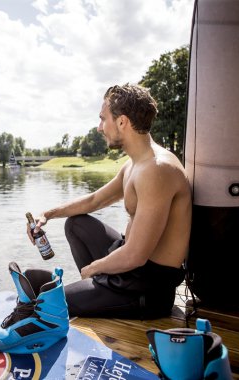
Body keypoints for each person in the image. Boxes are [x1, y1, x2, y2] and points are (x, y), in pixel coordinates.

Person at [27, 84, 192, 319]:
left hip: (148, 289)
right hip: (131, 269)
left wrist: (93, 269)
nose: (99, 127)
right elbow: (95, 200)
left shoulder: (157, 169)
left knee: (44, 305)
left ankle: (99, 292)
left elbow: (136, 255)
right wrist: (48, 214)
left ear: (122, 122)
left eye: (103, 119)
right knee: (76, 224)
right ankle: (99, 291)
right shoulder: (135, 164)